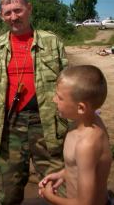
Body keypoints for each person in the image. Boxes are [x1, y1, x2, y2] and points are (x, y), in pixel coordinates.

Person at [0, 0, 69, 204]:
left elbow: (69, 87)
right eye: (7, 13)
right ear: (1, 16)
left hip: (47, 125)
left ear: (29, 9)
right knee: (9, 194)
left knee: (60, 190)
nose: (14, 17)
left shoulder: (52, 42)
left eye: (18, 10)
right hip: (8, 128)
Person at [38, 65, 112, 205]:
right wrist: (63, 174)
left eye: (59, 97)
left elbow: (85, 203)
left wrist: (50, 197)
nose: (54, 100)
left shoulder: (87, 144)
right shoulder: (79, 123)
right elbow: (83, 167)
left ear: (81, 108)